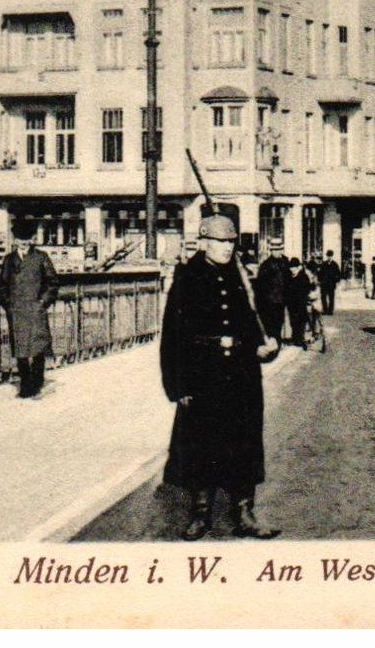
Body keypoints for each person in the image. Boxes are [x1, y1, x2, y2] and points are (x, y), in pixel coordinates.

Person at [160, 213, 280, 540]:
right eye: (220, 242)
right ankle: (200, 513)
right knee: (201, 445)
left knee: (243, 444)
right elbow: (172, 333)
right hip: (202, 375)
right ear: (204, 242)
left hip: (241, 374)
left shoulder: (240, 275)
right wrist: (177, 385)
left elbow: (253, 321)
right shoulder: (188, 276)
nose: (227, 248)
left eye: (230, 242)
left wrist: (265, 346)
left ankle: (245, 513)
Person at [0, 219, 59, 399]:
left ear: (32, 239)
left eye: (26, 239)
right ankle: (25, 384)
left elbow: (53, 282)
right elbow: (2, 285)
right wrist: (8, 304)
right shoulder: (9, 260)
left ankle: (37, 381)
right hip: (16, 310)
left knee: (38, 346)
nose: (23, 242)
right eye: (19, 239)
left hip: (35, 307)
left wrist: (43, 302)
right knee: (20, 349)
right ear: (15, 240)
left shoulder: (41, 257)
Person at [253, 242, 290, 344]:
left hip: (281, 299)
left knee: (280, 321)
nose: (278, 252)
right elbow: (260, 285)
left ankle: (277, 341)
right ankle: (274, 342)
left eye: (279, 249)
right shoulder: (266, 265)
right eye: (275, 250)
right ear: (271, 251)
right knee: (271, 323)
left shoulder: (285, 262)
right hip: (270, 300)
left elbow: (288, 279)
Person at [284, 256, 313, 348]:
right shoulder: (288, 277)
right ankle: (295, 337)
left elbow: (307, 289)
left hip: (301, 303)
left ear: (298, 268)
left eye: (294, 268)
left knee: (301, 320)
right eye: (291, 268)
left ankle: (300, 338)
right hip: (291, 303)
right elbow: (286, 289)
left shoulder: (303, 277)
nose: (292, 270)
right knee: (293, 321)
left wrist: (303, 297)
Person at [317, 251, 341, 316]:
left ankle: (330, 311)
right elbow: (320, 273)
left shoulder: (335, 264)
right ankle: (325, 310)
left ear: (332, 256)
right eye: (328, 256)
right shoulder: (323, 264)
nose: (329, 257)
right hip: (324, 284)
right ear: (327, 256)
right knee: (323, 297)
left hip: (331, 284)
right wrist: (319, 281)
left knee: (331, 298)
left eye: (330, 256)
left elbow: (338, 274)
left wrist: (336, 281)